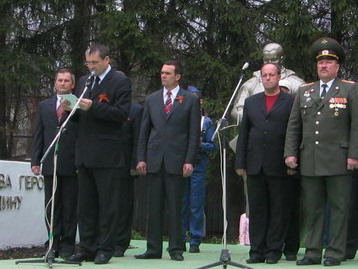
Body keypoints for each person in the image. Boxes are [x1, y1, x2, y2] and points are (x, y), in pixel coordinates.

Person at [285, 37, 358, 266]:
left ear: (337, 66)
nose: (323, 65)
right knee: (312, 209)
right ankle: (313, 252)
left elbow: (356, 125)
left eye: (328, 61)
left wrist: (354, 154)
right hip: (311, 160)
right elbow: (294, 125)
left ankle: (335, 252)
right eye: (320, 62)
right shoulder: (305, 91)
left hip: (339, 160)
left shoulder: (350, 89)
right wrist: (290, 153)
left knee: (339, 209)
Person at [65, 44, 131, 264]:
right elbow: (80, 118)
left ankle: (105, 247)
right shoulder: (85, 82)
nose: (91, 67)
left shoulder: (120, 81)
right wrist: (71, 109)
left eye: (94, 62)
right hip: (85, 151)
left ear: (106, 60)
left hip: (108, 153)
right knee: (86, 205)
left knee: (107, 204)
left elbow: (121, 114)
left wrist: (92, 107)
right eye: (88, 63)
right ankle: (86, 247)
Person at [135, 60, 201, 261]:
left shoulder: (190, 99)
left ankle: (176, 248)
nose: (163, 76)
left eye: (168, 73)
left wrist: (190, 160)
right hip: (154, 158)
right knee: (153, 207)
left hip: (177, 159)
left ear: (177, 76)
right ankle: (153, 248)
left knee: (174, 206)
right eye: (162, 73)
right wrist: (141, 158)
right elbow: (144, 131)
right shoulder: (152, 99)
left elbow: (193, 134)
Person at [235, 63, 295, 264]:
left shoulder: (290, 101)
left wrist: (292, 158)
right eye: (265, 75)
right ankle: (256, 251)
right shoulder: (252, 102)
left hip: (279, 164)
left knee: (278, 210)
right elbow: (244, 134)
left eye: (271, 75)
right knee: (257, 210)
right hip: (254, 164)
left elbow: (294, 132)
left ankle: (273, 251)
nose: (268, 78)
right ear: (261, 78)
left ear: (279, 77)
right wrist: (240, 161)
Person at [31, 69, 78, 260]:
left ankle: (68, 244)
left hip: (71, 164)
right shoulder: (45, 105)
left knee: (69, 206)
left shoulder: (77, 105)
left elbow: (82, 135)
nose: (63, 83)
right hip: (51, 163)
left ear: (72, 84)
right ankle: (52, 243)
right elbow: (39, 134)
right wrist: (36, 161)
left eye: (67, 81)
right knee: (51, 206)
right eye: (60, 80)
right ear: (55, 83)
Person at [231, 42, 305, 125]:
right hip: (255, 131)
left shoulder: (296, 84)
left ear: (282, 58)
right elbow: (237, 110)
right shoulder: (251, 83)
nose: (270, 63)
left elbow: (304, 111)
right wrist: (256, 120)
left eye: (274, 60)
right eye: (266, 60)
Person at [181, 86, 216, 253]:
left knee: (196, 204)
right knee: (180, 203)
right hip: (180, 167)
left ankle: (195, 239)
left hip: (198, 167)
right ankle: (179, 236)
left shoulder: (206, 122)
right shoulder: (180, 118)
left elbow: (213, 145)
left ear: (200, 102)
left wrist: (200, 144)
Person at [114, 101, 143, 257]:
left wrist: (134, 163)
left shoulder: (135, 109)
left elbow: (138, 138)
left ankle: (120, 242)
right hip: (103, 162)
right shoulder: (102, 106)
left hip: (125, 165)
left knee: (123, 205)